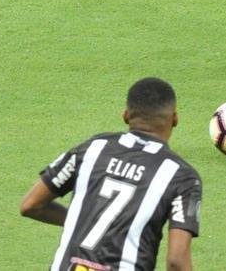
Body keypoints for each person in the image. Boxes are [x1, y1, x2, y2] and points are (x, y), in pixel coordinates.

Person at [20, 77, 201, 271]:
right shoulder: (182, 177)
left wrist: (83, 219)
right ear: (175, 118)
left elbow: (30, 205)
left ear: (125, 115)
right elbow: (176, 261)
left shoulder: (92, 149)